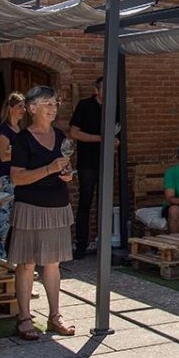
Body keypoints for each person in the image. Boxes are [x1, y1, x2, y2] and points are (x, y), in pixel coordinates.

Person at [8, 86, 76, 341]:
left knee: (53, 264)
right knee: (26, 264)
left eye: (54, 103)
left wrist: (67, 175)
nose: (52, 108)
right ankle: (25, 318)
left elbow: (65, 169)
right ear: (32, 108)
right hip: (30, 208)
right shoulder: (22, 140)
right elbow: (16, 178)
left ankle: (55, 315)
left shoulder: (60, 137)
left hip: (57, 206)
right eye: (46, 103)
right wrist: (49, 168)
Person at [68, 77, 115, 259]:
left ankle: (105, 244)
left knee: (106, 203)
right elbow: (74, 132)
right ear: (97, 90)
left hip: (108, 162)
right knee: (85, 203)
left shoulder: (114, 107)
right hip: (88, 162)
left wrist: (114, 141)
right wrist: (102, 139)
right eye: (105, 88)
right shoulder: (85, 105)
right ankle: (81, 245)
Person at [0, 91, 25, 260]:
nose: (23, 110)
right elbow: (4, 156)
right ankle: (0, 252)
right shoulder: (3, 129)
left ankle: (14, 250)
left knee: (17, 215)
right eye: (20, 106)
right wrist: (23, 152)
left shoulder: (20, 129)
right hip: (7, 177)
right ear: (11, 108)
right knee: (5, 215)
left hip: (20, 177)